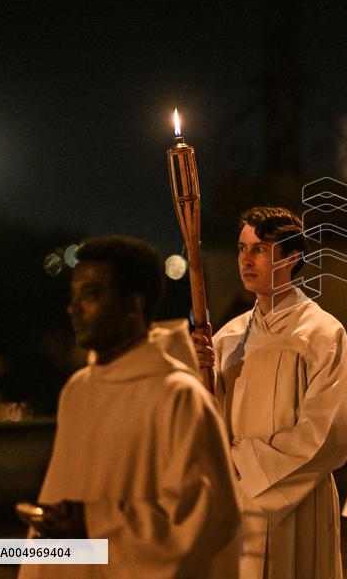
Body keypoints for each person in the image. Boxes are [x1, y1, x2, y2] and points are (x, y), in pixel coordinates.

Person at [20, 236, 240, 578]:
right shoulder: (78, 391)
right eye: (73, 296)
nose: (73, 308)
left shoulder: (178, 397)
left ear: (133, 306)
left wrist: (96, 521)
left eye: (91, 295)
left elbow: (202, 522)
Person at [193, 207, 347, 579]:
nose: (246, 260)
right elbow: (203, 417)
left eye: (260, 249)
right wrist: (198, 372)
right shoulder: (228, 337)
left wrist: (245, 463)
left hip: (296, 502)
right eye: (241, 249)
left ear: (292, 256)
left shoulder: (320, 333)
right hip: (235, 499)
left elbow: (333, 430)